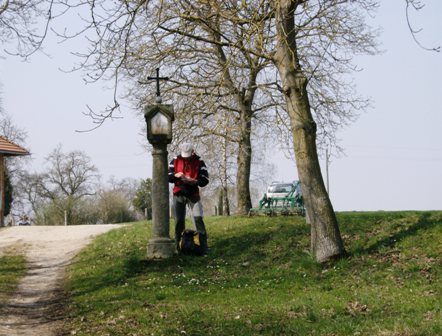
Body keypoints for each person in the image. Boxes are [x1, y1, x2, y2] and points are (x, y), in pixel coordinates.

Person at [168, 142, 209, 253]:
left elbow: (205, 179)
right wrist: (175, 176)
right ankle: (178, 247)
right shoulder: (175, 160)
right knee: (179, 221)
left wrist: (194, 181)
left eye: (188, 155)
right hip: (178, 194)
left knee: (198, 219)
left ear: (193, 152)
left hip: (193, 195)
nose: (186, 158)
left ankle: (204, 247)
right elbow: (168, 176)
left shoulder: (199, 162)